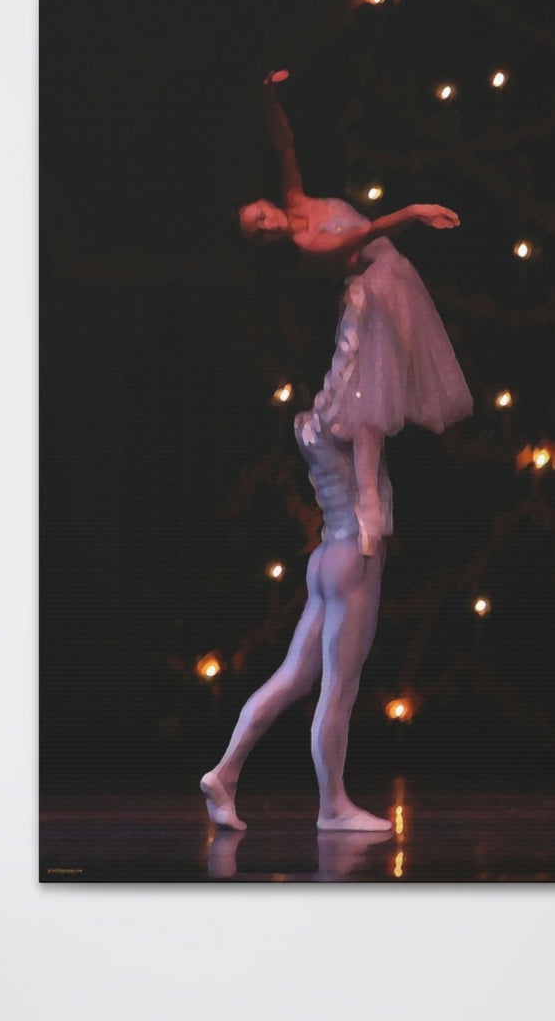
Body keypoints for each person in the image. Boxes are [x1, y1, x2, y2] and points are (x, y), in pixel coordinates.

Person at [201, 73, 473, 834]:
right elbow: (368, 492)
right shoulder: (321, 253)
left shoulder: (319, 418)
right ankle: (331, 809)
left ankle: (223, 774)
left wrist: (268, 99)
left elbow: (285, 147)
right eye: (259, 230)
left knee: (294, 674)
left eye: (258, 215)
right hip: (351, 558)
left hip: (328, 557)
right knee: (337, 690)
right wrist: (412, 212)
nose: (266, 222)